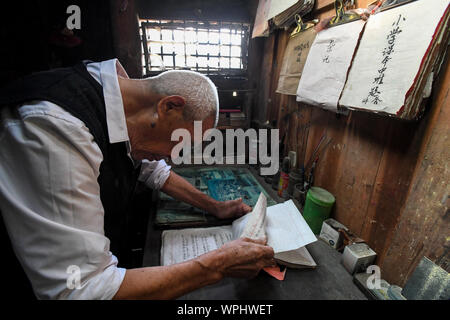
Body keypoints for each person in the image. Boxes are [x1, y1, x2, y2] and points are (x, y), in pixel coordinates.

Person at [0, 59, 275, 299]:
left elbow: (154, 171)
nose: (172, 156)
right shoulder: (56, 128)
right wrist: (216, 266)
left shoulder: (120, 103)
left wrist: (214, 206)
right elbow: (80, 290)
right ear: (169, 107)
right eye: (178, 143)